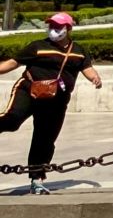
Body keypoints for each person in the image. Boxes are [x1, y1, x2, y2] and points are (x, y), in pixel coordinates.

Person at [0, 12, 104, 194]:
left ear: (68, 29)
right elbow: (12, 63)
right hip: (28, 91)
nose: (54, 30)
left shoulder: (78, 51)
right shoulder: (37, 47)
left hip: (56, 101)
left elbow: (87, 68)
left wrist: (95, 78)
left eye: (58, 27)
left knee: (45, 139)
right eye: (51, 26)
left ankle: (37, 179)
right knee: (12, 119)